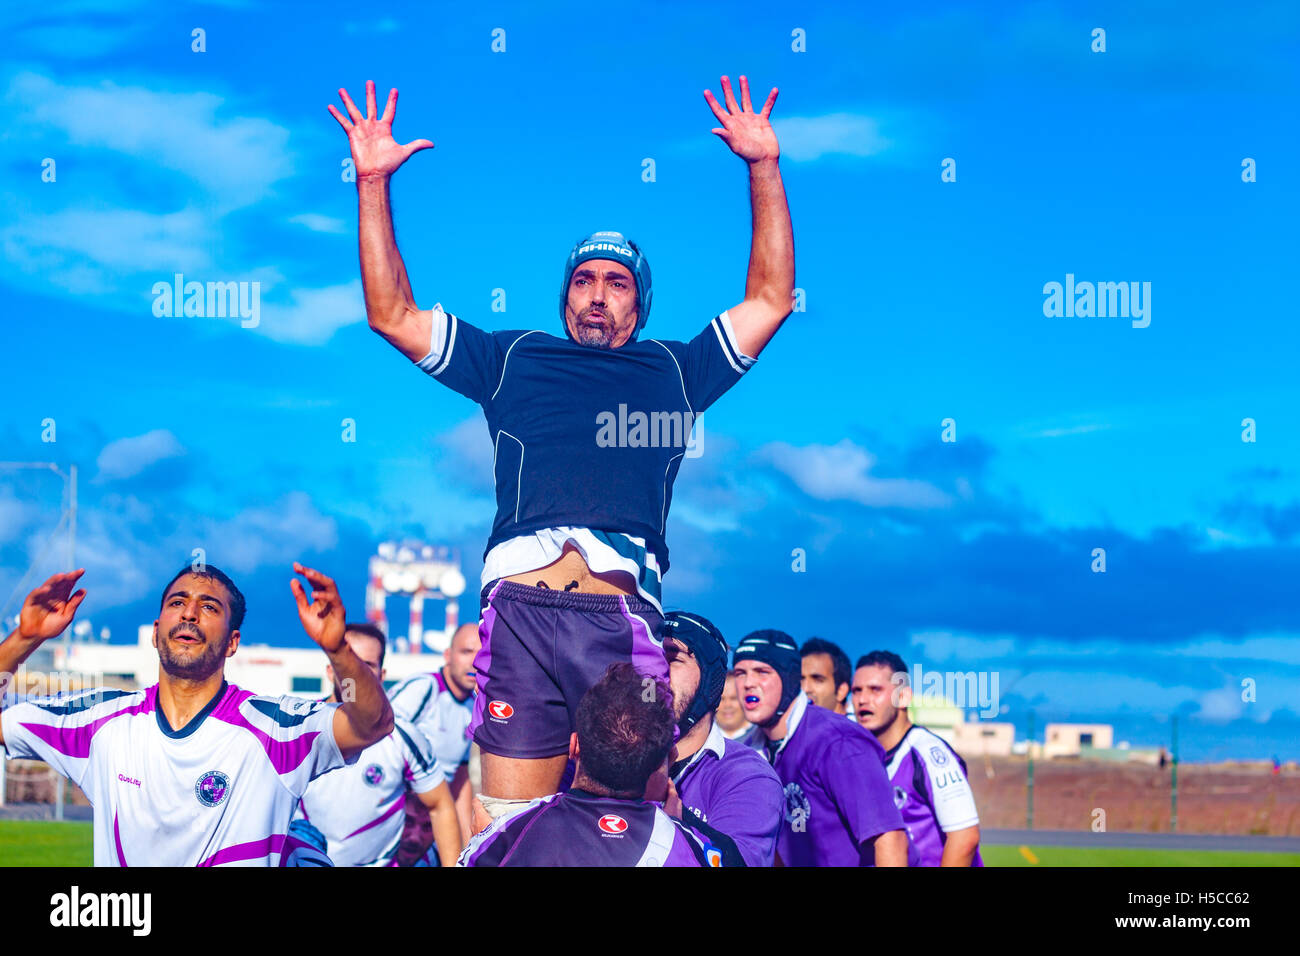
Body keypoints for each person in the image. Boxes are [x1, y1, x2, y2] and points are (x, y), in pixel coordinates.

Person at [328, 73, 795, 814]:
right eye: (583, 280)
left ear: (638, 305)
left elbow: (771, 299)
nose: (597, 293)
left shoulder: (674, 369)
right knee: (511, 833)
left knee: (634, 824)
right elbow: (392, 314)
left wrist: (763, 166)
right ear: (566, 296)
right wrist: (373, 183)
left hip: (618, 619)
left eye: (616, 282)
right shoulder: (514, 358)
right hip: (518, 612)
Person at [0, 563, 392, 866]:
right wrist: (25, 638)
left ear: (233, 642)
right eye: (177, 603)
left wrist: (338, 648)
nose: (189, 613)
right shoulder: (99, 722)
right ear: (156, 632)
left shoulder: (275, 728)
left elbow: (371, 724)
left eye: (208, 606)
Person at [458, 663, 719, 866]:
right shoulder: (694, 848)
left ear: (574, 746)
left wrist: (487, 841)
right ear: (663, 763)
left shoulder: (507, 835)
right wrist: (679, 830)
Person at [733, 630, 909, 867]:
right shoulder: (744, 751)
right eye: (740, 673)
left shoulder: (839, 741)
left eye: (762, 672)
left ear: (789, 679)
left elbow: (891, 840)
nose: (748, 683)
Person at [295, 623, 462, 866]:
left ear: (382, 675)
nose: (357, 673)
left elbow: (440, 806)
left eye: (368, 665)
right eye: (349, 662)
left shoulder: (403, 735)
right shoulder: (301, 728)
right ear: (331, 671)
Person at [662, 611, 782, 867]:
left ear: (711, 681)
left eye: (672, 657)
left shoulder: (747, 775)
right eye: (650, 656)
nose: (656, 670)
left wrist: (676, 821)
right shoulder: (603, 754)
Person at [852, 651, 983, 866]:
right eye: (857, 691)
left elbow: (965, 838)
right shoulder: (861, 756)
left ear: (903, 697)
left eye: (876, 690)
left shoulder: (928, 754)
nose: (863, 699)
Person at [387, 621, 480, 839]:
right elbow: (379, 738)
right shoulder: (425, 687)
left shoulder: (472, 707)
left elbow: (460, 780)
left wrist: (466, 847)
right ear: (447, 655)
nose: (475, 662)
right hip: (396, 817)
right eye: (466, 652)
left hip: (430, 823)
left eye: (481, 653)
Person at [800, 637, 851, 716]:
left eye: (817, 680)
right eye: (800, 680)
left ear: (841, 691)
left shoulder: (858, 728)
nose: (805, 689)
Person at [715, 673, 749, 739]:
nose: (727, 705)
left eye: (734, 698)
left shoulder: (762, 736)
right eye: (721, 699)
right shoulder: (702, 739)